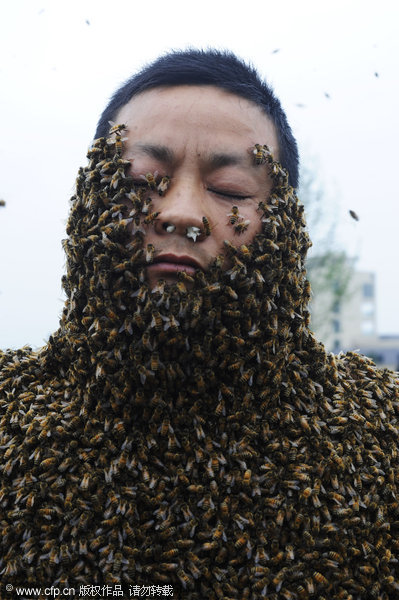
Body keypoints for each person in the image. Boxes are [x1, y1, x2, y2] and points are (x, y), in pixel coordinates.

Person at [0, 49, 398, 599]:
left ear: (285, 225)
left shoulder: (387, 432)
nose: (182, 212)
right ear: (88, 205)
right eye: (142, 180)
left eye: (231, 190)